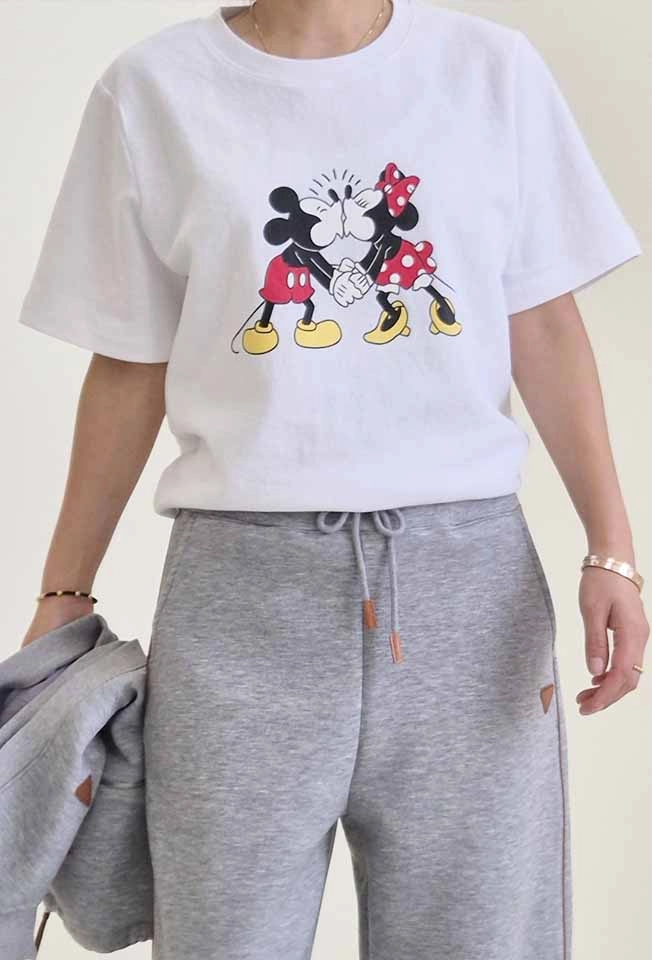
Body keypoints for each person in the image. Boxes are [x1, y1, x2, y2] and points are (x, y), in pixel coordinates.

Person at [17, 1, 649, 958]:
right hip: (239, 606)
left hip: (469, 599)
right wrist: (64, 594)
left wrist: (613, 550)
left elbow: (545, 324)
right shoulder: (152, 90)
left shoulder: (492, 71)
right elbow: (130, 364)